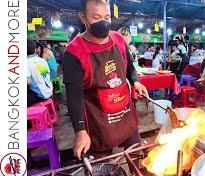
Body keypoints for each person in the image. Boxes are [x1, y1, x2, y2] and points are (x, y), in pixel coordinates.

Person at [62, 0, 148, 161]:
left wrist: (135, 81)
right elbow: (74, 97)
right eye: (96, 17)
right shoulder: (74, 52)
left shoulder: (118, 39)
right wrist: (80, 131)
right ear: (83, 17)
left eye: (107, 17)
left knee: (137, 157)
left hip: (125, 112)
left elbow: (129, 66)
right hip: (98, 118)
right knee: (102, 167)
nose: (103, 22)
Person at [27, 39, 53, 107]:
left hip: (40, 95)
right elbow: (44, 74)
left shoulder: (26, 62)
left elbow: (28, 82)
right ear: (35, 50)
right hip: (49, 92)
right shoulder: (42, 60)